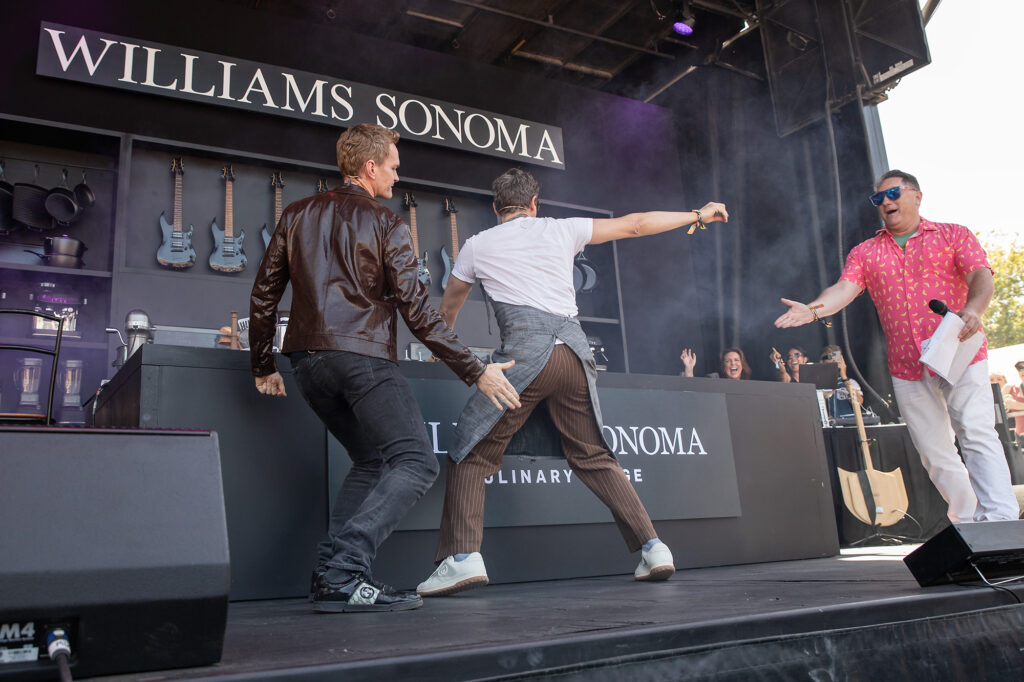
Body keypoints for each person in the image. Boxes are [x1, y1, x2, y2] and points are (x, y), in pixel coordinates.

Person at [416, 167, 728, 596]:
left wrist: (441, 350)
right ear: (533, 204)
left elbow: (447, 310)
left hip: (523, 362)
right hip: (576, 356)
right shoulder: (563, 229)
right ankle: (653, 547)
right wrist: (697, 214)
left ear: (495, 207)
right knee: (594, 454)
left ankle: (462, 558)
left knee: (469, 448)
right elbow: (635, 224)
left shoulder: (476, 245)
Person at [249, 123, 521, 614]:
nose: (398, 178)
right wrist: (477, 370)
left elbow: (264, 295)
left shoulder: (294, 214)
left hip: (307, 364)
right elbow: (417, 310)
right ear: (370, 167)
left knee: (372, 461)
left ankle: (332, 575)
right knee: (417, 462)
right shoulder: (388, 223)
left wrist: (263, 364)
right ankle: (345, 569)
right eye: (394, 167)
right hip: (361, 359)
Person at [775, 169, 1017, 523]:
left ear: (917, 196)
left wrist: (974, 310)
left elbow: (980, 275)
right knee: (933, 452)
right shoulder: (866, 252)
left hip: (959, 349)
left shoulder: (954, 235)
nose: (886, 202)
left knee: (975, 430)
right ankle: (969, 522)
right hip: (907, 364)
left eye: (894, 194)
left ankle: (1001, 519)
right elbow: (843, 291)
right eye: (878, 198)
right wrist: (812, 311)